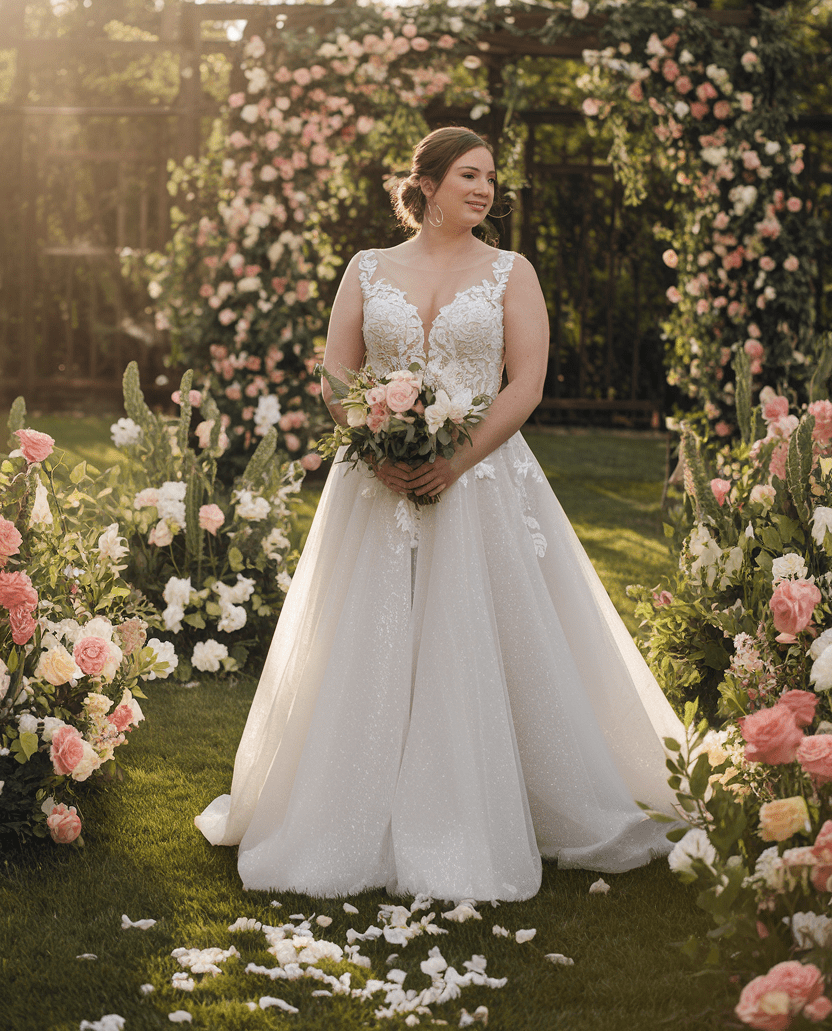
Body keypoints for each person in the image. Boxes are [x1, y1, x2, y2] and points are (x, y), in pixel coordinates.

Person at [195, 125, 685, 902]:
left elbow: (524, 383)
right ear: (424, 184)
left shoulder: (510, 272)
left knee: (484, 638)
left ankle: (493, 804)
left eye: (491, 178)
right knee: (365, 641)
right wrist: (374, 444)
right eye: (468, 174)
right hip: (375, 482)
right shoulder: (366, 268)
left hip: (481, 480)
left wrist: (455, 461)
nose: (485, 190)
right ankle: (346, 812)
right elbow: (336, 371)